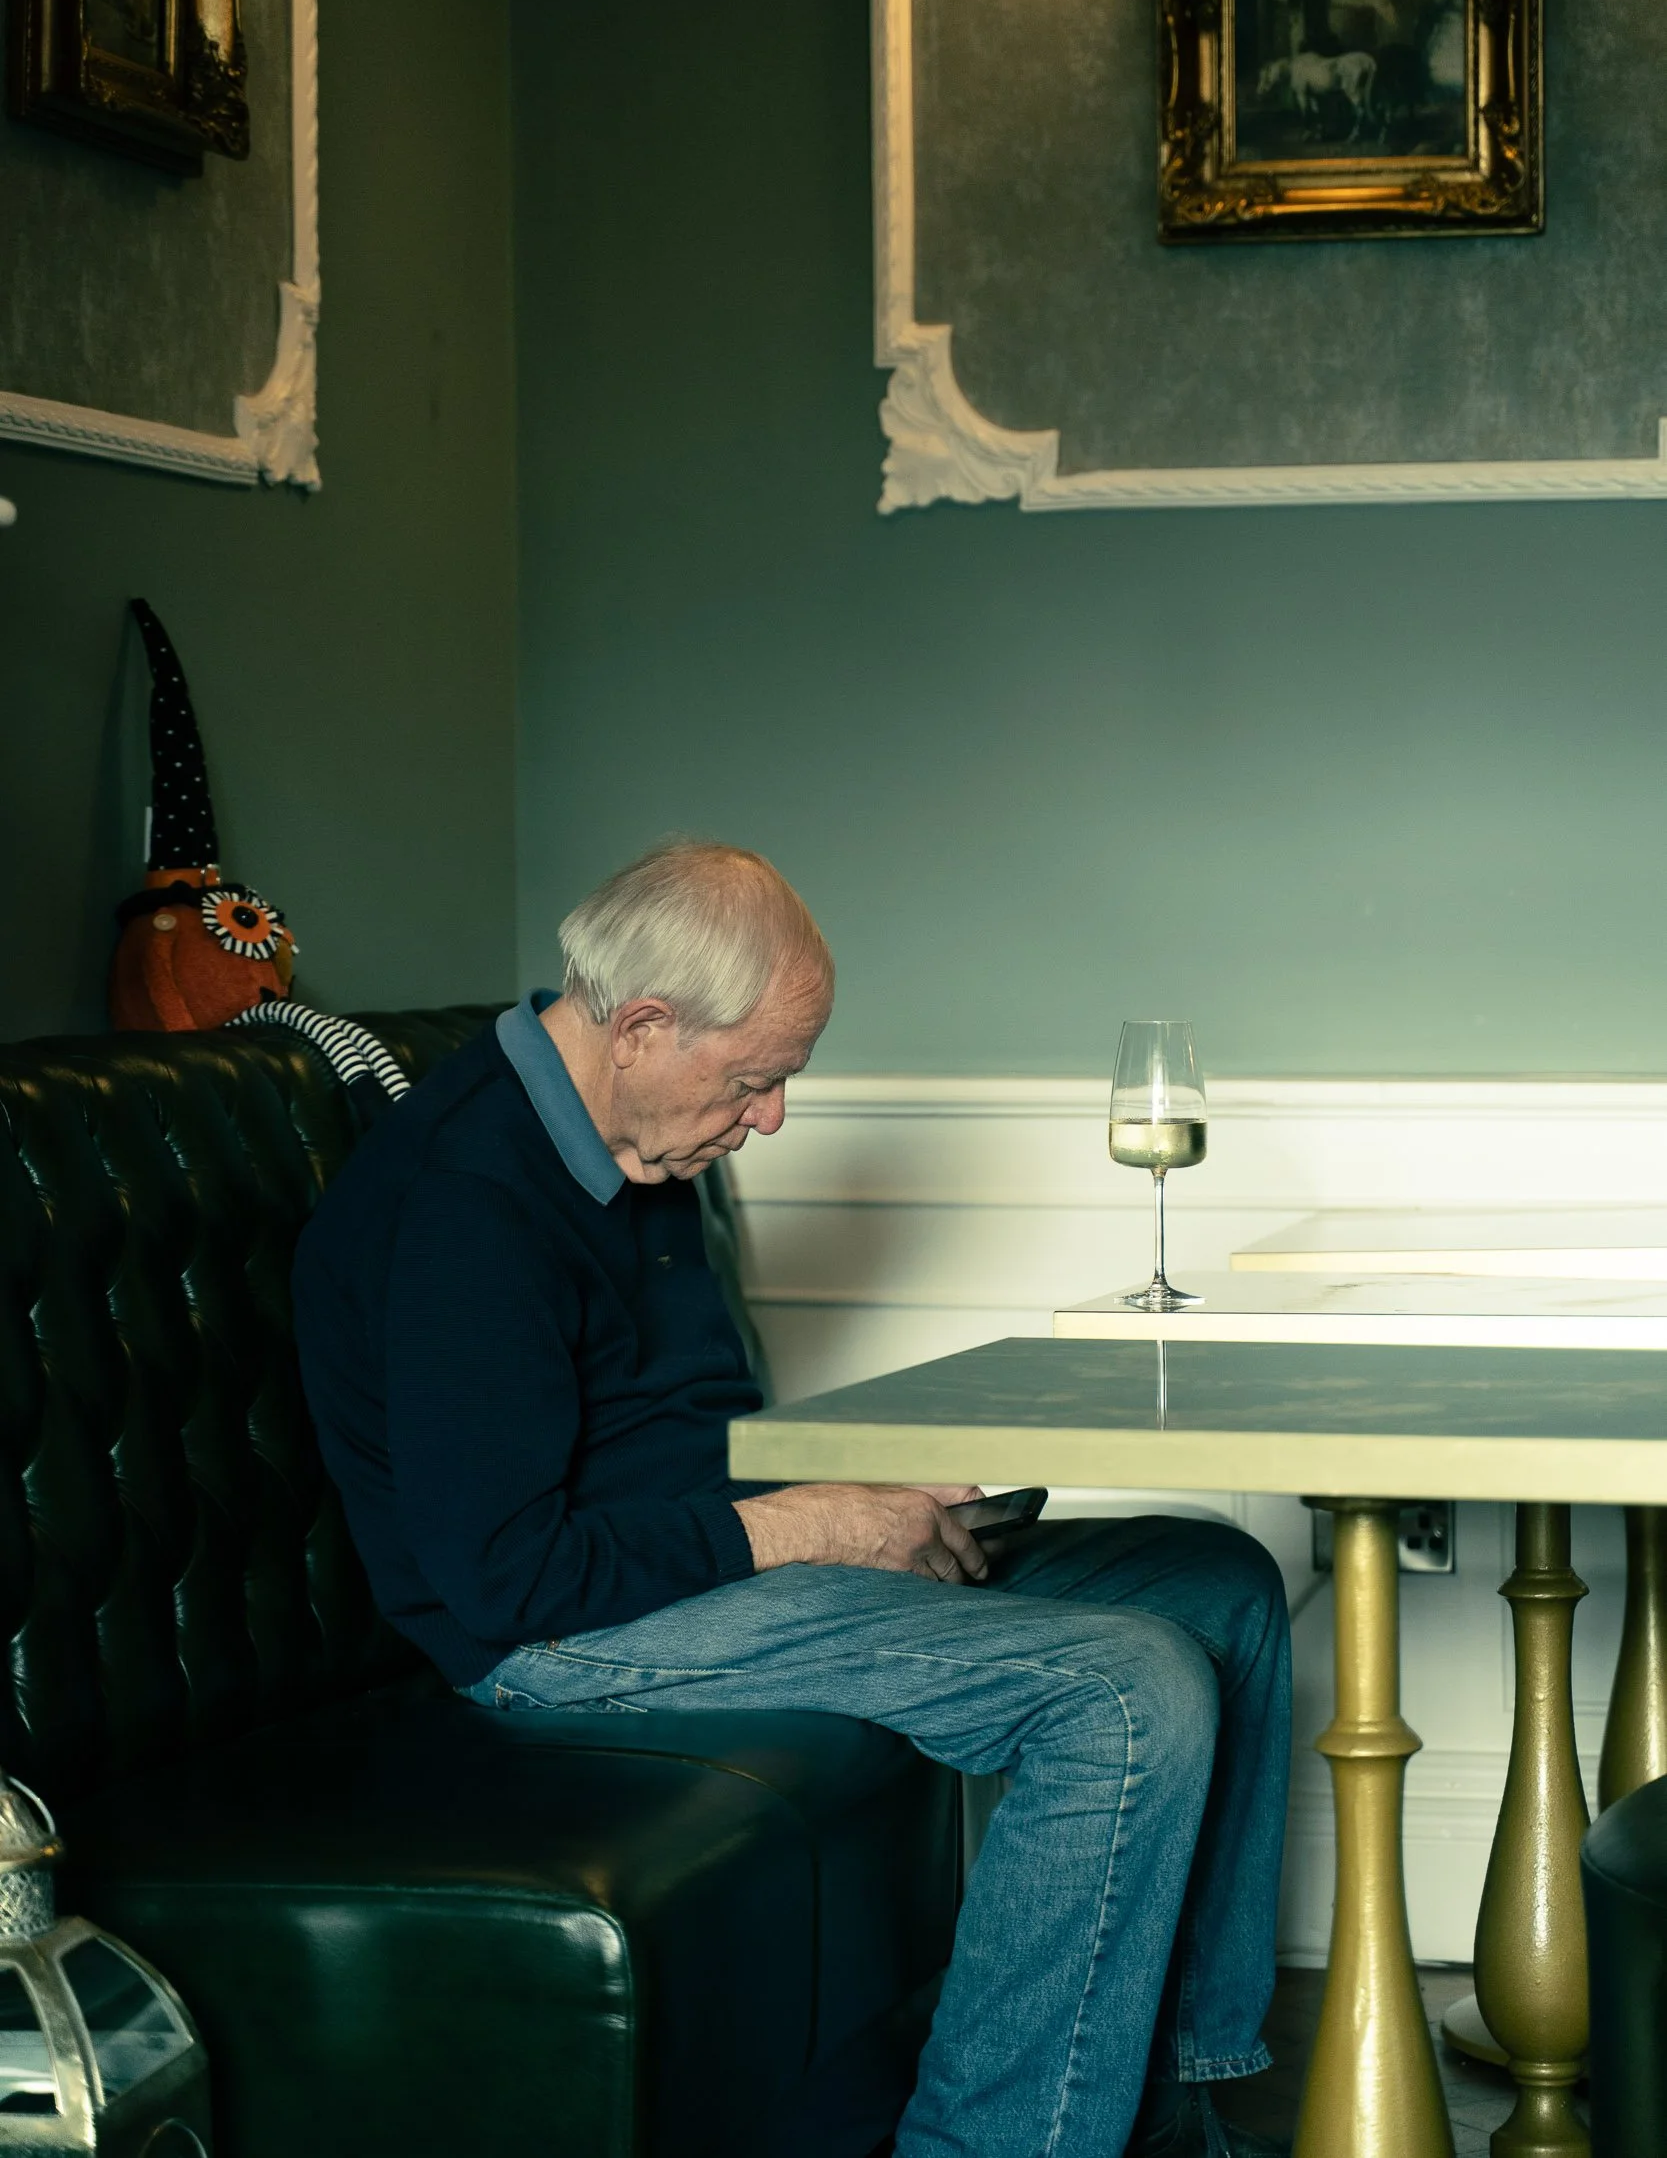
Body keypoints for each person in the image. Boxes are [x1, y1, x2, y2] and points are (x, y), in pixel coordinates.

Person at [293, 840, 1291, 2158]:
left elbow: (685, 1442)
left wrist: (862, 1493)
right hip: (561, 1641)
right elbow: (509, 1581)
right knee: (1121, 1688)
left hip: (689, 1564)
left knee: (1214, 1585)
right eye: (756, 1079)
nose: (767, 1119)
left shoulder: (635, 1136)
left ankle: (1162, 2110)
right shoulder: (469, 1202)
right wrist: (820, 1525)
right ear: (640, 1026)